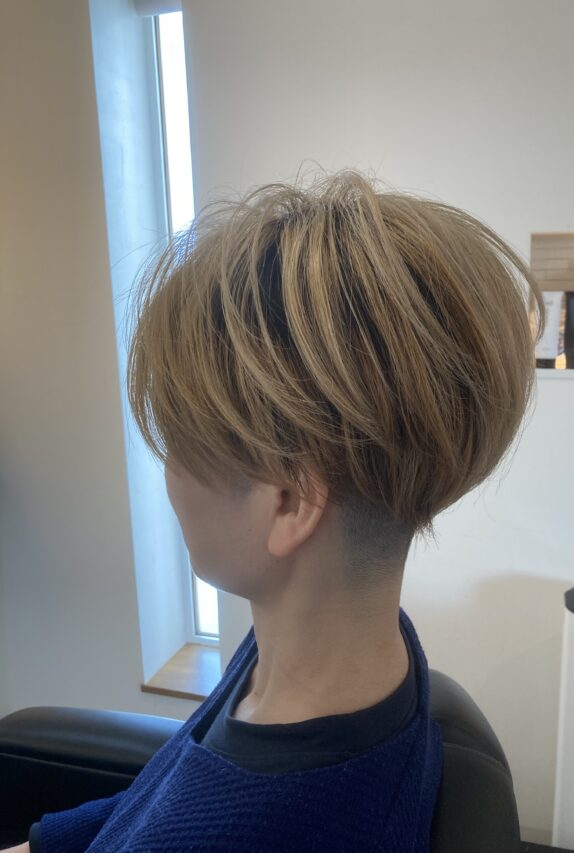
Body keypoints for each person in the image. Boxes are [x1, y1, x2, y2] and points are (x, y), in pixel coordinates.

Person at [10, 168, 544, 852]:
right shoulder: (336, 650)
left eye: (179, 442)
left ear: (289, 500)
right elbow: (160, 792)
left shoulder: (256, 823)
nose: (168, 476)